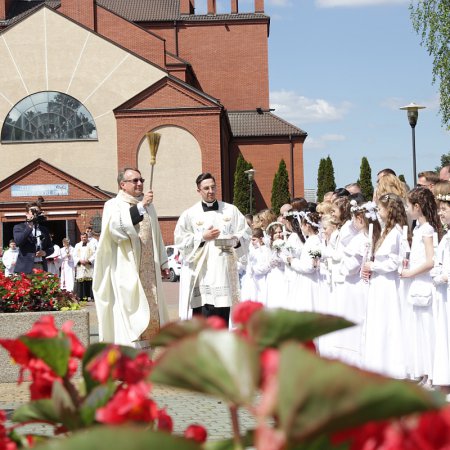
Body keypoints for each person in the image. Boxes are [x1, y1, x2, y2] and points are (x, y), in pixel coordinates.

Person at [93, 168, 170, 349]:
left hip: (149, 270)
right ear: (122, 185)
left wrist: (164, 261)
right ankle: (130, 355)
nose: (140, 183)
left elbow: (156, 234)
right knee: (130, 312)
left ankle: (149, 357)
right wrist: (141, 206)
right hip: (126, 269)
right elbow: (115, 230)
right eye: (134, 181)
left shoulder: (149, 207)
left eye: (141, 180)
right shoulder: (113, 205)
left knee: (153, 311)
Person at [174, 172, 251, 325]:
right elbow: (180, 240)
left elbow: (246, 232)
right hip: (203, 274)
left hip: (224, 272)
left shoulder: (231, 210)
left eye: (213, 187)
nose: (210, 191)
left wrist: (235, 239)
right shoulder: (190, 214)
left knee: (222, 317)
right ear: (198, 191)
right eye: (206, 188)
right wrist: (203, 237)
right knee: (203, 318)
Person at [362, 193, 408, 379]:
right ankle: (378, 364)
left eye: (380, 209)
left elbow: (396, 261)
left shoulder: (397, 232)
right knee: (378, 321)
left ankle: (393, 365)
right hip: (379, 283)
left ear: (389, 211)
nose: (378, 212)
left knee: (388, 322)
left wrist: (375, 266)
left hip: (388, 284)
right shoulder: (384, 231)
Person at [401, 187, 440, 385]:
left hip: (425, 284)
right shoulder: (417, 229)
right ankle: (424, 371)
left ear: (417, 206)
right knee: (419, 331)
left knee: (428, 330)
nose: (407, 210)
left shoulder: (427, 230)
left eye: (409, 206)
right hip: (417, 284)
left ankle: (433, 373)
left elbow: (430, 260)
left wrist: (410, 272)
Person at [13, 201, 54, 274]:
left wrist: (45, 253)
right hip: (25, 268)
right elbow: (18, 242)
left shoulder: (44, 229)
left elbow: (51, 248)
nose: (35, 214)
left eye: (37, 212)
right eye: (32, 211)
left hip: (41, 266)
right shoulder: (19, 227)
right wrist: (29, 227)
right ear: (26, 214)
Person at [74, 233, 95, 300]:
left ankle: (91, 297)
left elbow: (95, 254)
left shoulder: (92, 245)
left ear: (87, 237)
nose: (84, 238)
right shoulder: (77, 245)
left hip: (88, 265)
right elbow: (74, 255)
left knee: (90, 281)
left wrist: (88, 261)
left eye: (85, 237)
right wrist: (80, 261)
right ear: (80, 237)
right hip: (81, 266)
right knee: (81, 281)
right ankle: (81, 297)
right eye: (82, 237)